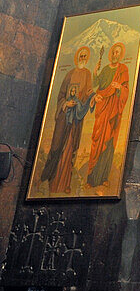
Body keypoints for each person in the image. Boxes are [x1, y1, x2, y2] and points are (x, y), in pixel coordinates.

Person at [40, 46, 94, 194]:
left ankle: (65, 184)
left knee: (70, 149)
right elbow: (61, 96)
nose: (82, 59)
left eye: (85, 56)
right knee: (57, 146)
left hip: (76, 119)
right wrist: (66, 104)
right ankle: (50, 181)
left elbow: (88, 94)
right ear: (77, 57)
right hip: (64, 118)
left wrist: (91, 97)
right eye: (81, 56)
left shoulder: (88, 74)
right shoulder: (69, 74)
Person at [86, 42, 130, 188]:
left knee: (109, 142)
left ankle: (103, 177)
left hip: (113, 110)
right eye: (113, 52)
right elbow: (98, 85)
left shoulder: (123, 69)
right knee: (97, 140)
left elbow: (126, 90)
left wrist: (119, 88)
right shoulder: (105, 68)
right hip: (103, 107)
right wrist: (95, 72)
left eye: (117, 52)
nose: (114, 55)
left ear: (121, 54)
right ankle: (91, 178)